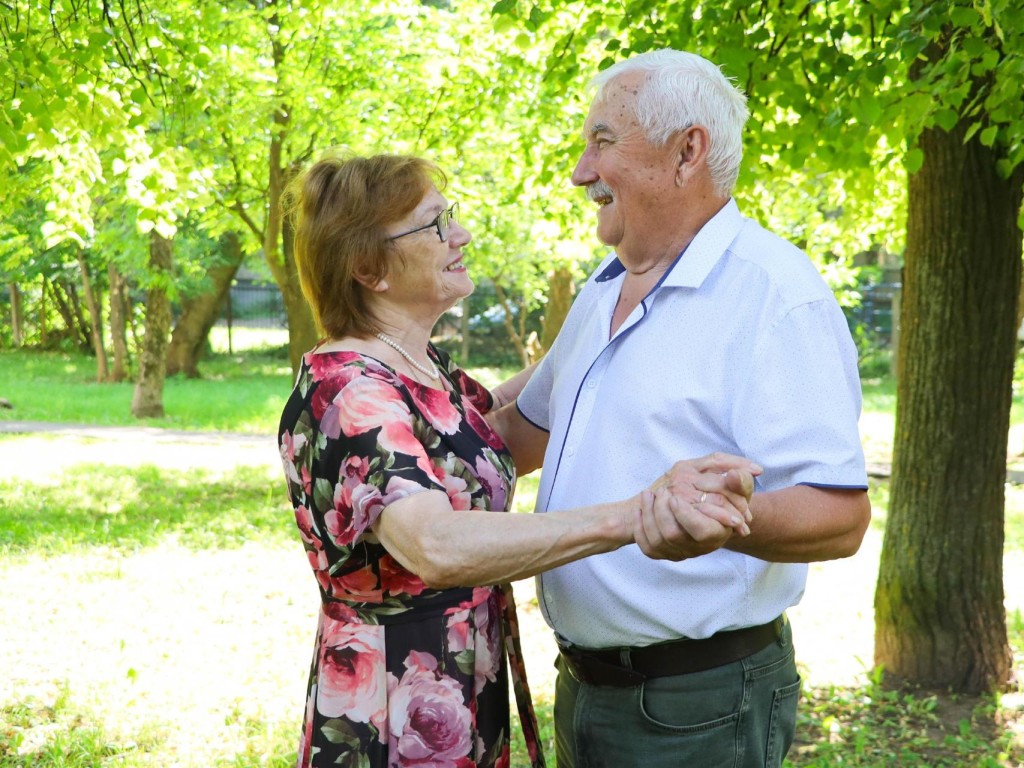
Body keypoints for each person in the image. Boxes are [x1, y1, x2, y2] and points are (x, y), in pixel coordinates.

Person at [276, 152, 761, 768]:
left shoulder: (416, 368)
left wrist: (618, 321)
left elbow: (500, 428)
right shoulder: (351, 392)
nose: (460, 234)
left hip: (460, 690)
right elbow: (438, 545)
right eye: (433, 225)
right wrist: (634, 516)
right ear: (369, 267)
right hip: (395, 709)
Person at [488, 49, 872, 767]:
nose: (580, 170)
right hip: (584, 687)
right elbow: (520, 434)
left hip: (698, 706)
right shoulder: (606, 287)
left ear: (685, 151)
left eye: (602, 142)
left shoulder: (774, 295)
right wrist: (385, 400)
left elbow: (841, 514)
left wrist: (723, 524)